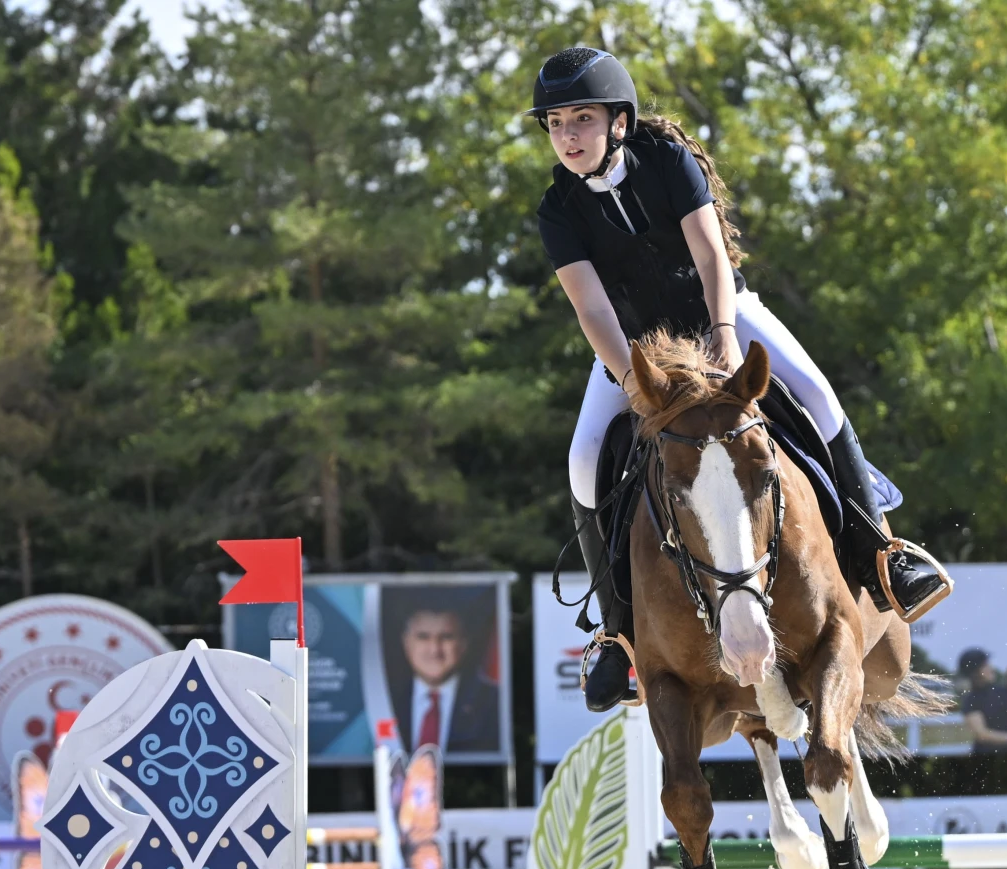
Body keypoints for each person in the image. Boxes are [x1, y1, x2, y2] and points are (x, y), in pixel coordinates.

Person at [528, 47, 954, 711]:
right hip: (636, 347)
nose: (568, 136)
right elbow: (591, 308)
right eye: (556, 124)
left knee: (816, 395)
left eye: (582, 118)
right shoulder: (558, 209)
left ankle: (882, 551)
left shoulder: (668, 162)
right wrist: (631, 378)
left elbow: (710, 256)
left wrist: (725, 336)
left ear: (618, 121)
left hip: (720, 316)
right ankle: (616, 636)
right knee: (584, 460)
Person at [386, 606, 500, 754]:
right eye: (423, 637)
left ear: (463, 644)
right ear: (406, 642)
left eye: (446, 637)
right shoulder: (384, 699)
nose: (434, 650)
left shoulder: (493, 701)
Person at [957, 649, 1007, 754]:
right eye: (985, 665)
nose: (991, 668)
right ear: (974, 672)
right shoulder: (970, 699)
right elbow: (982, 735)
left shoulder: (1004, 691)